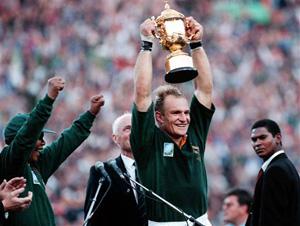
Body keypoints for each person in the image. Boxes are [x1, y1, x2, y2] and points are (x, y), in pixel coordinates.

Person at [130, 17, 215, 226]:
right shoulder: (147, 141)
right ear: (159, 117)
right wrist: (146, 45)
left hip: (202, 221)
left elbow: (204, 90)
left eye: (186, 112)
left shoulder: (195, 133)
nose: (184, 118)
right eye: (176, 113)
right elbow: (142, 95)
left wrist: (196, 44)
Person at [0, 76, 105, 226]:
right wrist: (49, 99)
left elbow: (65, 143)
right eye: (39, 137)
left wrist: (90, 115)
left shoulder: (37, 166)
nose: (43, 142)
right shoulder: (10, 163)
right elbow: (28, 134)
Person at [84, 113, 147, 226]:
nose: (134, 132)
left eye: (137, 128)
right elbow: (92, 219)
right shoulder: (102, 172)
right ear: (115, 138)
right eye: (128, 129)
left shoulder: (157, 170)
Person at [246, 119, 300, 226]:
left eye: (262, 137)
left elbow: (271, 219)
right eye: (254, 139)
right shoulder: (284, 165)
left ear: (278, 138)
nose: (257, 143)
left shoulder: (276, 170)